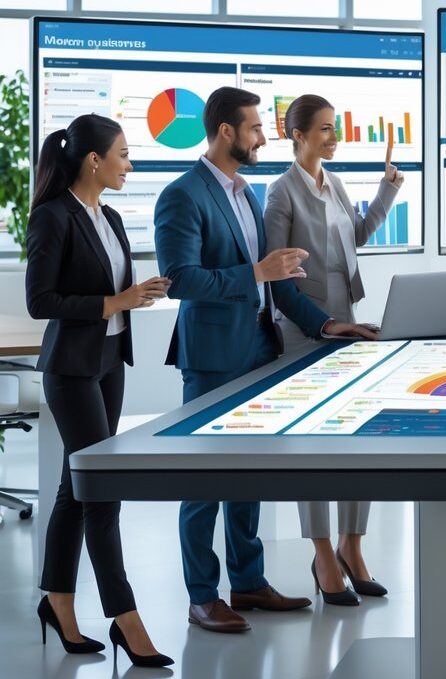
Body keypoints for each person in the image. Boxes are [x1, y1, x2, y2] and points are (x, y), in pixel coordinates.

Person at [154, 87, 375, 633]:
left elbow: (277, 281)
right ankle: (202, 595)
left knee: (246, 472)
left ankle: (247, 582)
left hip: (257, 345)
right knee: (204, 478)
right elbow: (179, 280)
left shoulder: (247, 194)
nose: (261, 136)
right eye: (253, 128)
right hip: (211, 353)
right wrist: (256, 274)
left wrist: (327, 323)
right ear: (226, 131)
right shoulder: (182, 195)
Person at [25, 114, 173, 668]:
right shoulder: (53, 217)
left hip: (110, 361)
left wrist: (140, 294)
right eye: (124, 155)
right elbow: (42, 302)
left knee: (75, 487)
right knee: (102, 489)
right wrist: (115, 303)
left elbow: (112, 289)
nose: (129, 165)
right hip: (71, 369)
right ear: (94, 161)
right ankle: (126, 617)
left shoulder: (108, 215)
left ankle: (57, 602)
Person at [265, 94, 399, 605]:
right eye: (324, 129)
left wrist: (386, 190)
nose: (333, 136)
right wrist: (324, 324)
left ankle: (353, 545)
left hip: (350, 326)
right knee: (314, 447)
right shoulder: (282, 194)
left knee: (356, 439)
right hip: (307, 329)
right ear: (297, 135)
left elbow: (357, 236)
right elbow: (278, 279)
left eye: (334, 127)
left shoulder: (336, 183)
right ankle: (322, 552)